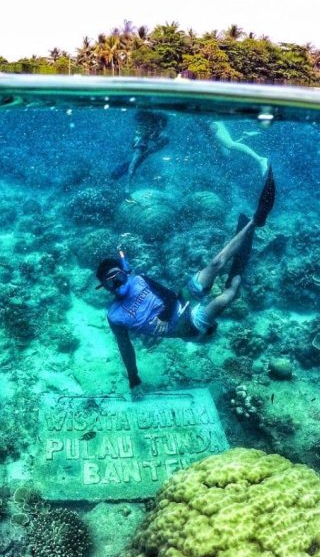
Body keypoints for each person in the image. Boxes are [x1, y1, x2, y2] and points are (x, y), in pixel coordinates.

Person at [96, 167, 276, 390]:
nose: (118, 284)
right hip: (187, 327)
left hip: (181, 300)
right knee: (224, 298)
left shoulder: (139, 279)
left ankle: (254, 222)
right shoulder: (114, 316)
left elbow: (169, 296)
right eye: (111, 283)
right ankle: (236, 276)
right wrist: (134, 377)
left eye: (119, 277)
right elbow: (125, 347)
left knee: (215, 263)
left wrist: (163, 313)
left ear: (125, 272)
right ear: (104, 288)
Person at [110, 110, 170, 197]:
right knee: (136, 161)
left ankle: (117, 176)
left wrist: (149, 151)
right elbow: (143, 133)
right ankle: (122, 182)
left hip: (147, 133)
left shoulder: (161, 132)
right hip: (143, 134)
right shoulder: (146, 128)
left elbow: (160, 140)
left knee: (137, 161)